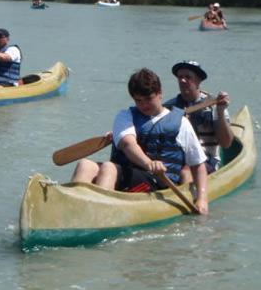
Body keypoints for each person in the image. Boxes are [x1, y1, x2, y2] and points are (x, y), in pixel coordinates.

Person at [70, 68, 209, 213]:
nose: (144, 105)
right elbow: (128, 144)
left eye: (149, 98)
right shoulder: (125, 116)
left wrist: (202, 199)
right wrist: (149, 163)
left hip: (159, 183)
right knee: (85, 165)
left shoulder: (181, 123)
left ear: (160, 93)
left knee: (108, 167)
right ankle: (74, 209)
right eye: (138, 100)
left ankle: (98, 213)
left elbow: (198, 165)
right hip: (128, 175)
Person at [164, 61, 232, 183]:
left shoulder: (215, 105)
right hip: (176, 160)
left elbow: (226, 143)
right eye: (180, 77)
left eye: (188, 77)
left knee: (186, 171)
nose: (182, 81)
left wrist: (221, 112)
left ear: (198, 81)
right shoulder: (169, 108)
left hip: (206, 161)